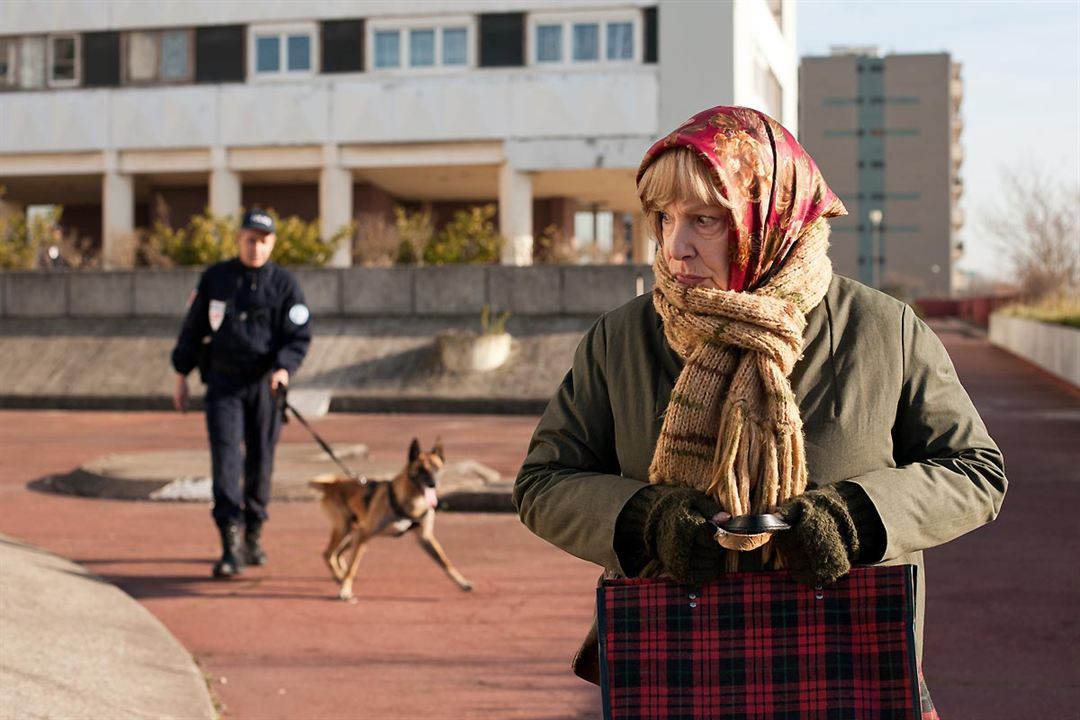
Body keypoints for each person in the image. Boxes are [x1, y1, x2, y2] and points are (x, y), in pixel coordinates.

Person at [513, 106, 1007, 685]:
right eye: (664, 217)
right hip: (678, 666)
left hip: (848, 662)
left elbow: (975, 471)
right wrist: (646, 521)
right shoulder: (619, 339)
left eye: (705, 220)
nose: (676, 247)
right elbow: (544, 481)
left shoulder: (883, 328)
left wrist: (858, 519)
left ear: (771, 215)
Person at [171, 208, 311, 578]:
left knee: (260, 463)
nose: (256, 247)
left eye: (263, 240)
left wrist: (284, 367)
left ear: (273, 243)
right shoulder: (217, 278)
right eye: (250, 239)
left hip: (265, 385)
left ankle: (254, 534)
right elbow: (193, 328)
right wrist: (181, 373)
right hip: (223, 385)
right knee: (226, 462)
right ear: (239, 239)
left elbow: (298, 336)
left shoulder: (284, 285)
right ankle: (229, 543)